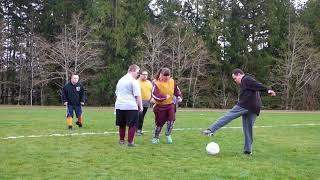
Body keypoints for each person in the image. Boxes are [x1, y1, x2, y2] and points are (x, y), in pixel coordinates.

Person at [202, 68, 276, 155]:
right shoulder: (248, 80)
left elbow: (257, 85)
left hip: (245, 105)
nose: (235, 81)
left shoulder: (246, 79)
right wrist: (267, 89)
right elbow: (256, 86)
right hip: (255, 107)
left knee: (228, 116)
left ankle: (210, 130)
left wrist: (268, 89)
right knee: (248, 129)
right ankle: (248, 151)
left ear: (239, 75)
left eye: (234, 78)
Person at [151, 68, 182, 144]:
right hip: (160, 106)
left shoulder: (172, 81)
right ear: (161, 75)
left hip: (170, 105)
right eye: (165, 78)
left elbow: (176, 90)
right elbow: (154, 94)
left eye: (168, 78)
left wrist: (179, 96)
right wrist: (164, 97)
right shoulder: (156, 83)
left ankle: (168, 135)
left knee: (171, 120)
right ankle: (156, 137)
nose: (166, 80)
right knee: (159, 123)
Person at [115, 64, 143, 147]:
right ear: (133, 71)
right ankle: (130, 142)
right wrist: (140, 105)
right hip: (130, 105)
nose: (138, 74)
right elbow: (137, 95)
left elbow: (116, 93)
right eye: (137, 72)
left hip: (119, 105)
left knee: (122, 124)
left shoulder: (120, 80)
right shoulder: (134, 81)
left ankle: (121, 140)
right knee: (133, 124)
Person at [137, 70, 153, 136]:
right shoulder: (136, 82)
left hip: (147, 102)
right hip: (138, 102)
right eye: (144, 74)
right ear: (140, 74)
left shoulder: (149, 82)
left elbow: (152, 91)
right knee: (139, 116)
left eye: (146, 74)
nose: (145, 76)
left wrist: (152, 98)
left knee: (142, 117)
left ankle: (139, 130)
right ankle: (137, 130)